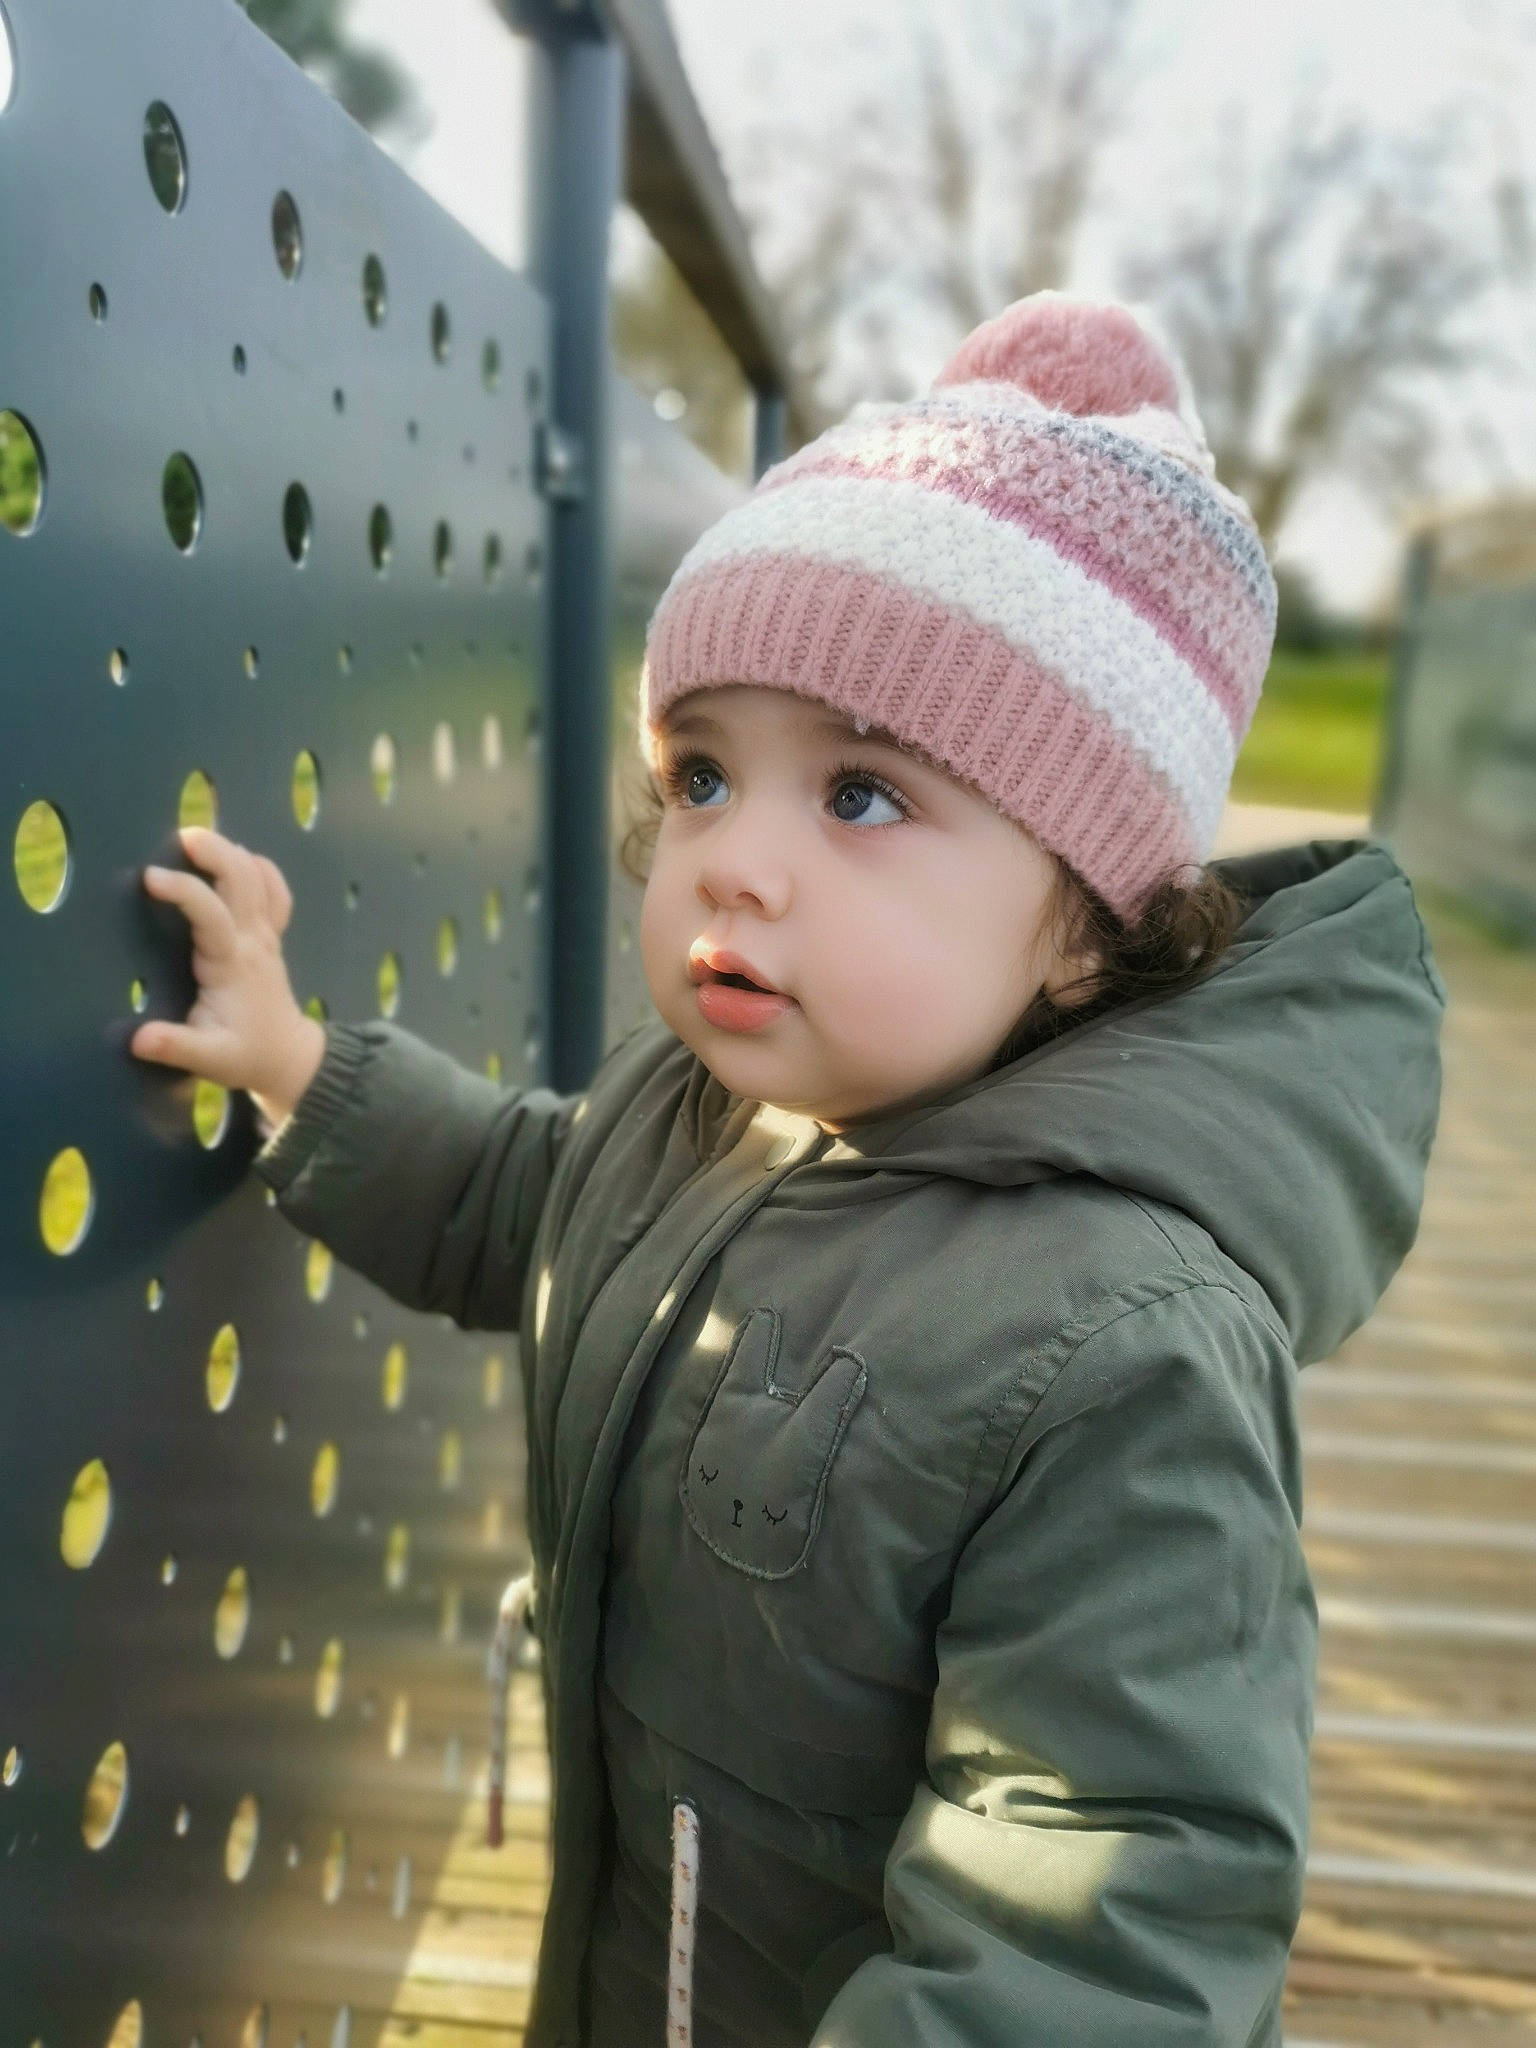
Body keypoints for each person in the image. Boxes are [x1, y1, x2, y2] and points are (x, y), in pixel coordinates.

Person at [131, 291, 1447, 2048]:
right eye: (700, 774)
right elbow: (537, 1203)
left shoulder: (1126, 1349)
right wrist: (301, 1069)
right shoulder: (703, 1111)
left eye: (863, 797)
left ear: (1087, 927)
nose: (734, 862)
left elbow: (1107, 1917)